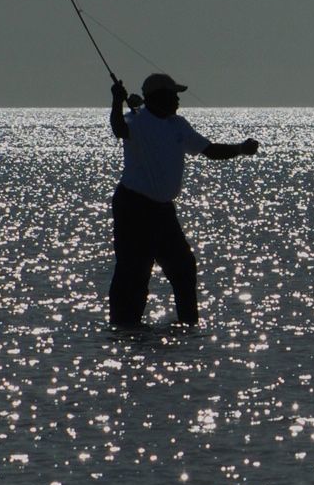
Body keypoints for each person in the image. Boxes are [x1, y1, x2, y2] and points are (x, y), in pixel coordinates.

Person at [108, 73, 258, 327]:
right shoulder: (135, 120)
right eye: (173, 95)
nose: (178, 100)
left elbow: (209, 151)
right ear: (158, 97)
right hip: (133, 207)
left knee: (184, 268)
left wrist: (240, 149)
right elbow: (118, 129)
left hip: (163, 211)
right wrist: (116, 101)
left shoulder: (178, 125)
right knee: (134, 272)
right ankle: (124, 329)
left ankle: (189, 326)